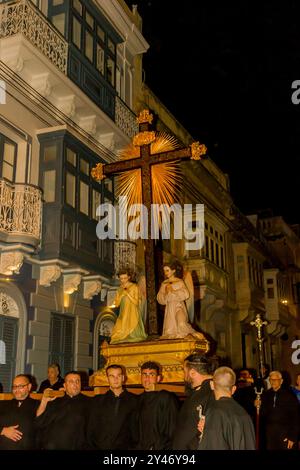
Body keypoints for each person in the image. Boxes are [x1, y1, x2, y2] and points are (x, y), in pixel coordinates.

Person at [198, 367, 256, 450]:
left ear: (211, 385)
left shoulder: (215, 412)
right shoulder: (244, 413)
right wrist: (207, 430)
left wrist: (207, 433)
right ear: (234, 389)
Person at [36, 371, 91, 449]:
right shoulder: (55, 400)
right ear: (65, 385)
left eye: (77, 381)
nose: (75, 384)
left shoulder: (89, 402)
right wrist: (44, 401)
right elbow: (39, 421)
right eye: (71, 381)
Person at [87, 364, 138, 449]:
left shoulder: (134, 400)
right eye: (112, 376)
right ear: (107, 379)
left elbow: (136, 430)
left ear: (123, 378)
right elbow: (91, 429)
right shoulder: (97, 401)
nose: (115, 379)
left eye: (118, 375)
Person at [172, 353, 214, 450]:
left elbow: (207, 431)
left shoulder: (212, 391)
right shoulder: (196, 392)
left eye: (184, 371)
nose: (184, 375)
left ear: (192, 372)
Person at [135, 361, 179, 450]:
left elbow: (173, 428)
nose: (147, 378)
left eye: (151, 375)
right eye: (144, 374)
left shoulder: (166, 397)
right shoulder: (137, 399)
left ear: (158, 378)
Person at [157, 262, 204, 340]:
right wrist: (166, 293)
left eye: (167, 270)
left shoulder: (179, 281)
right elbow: (159, 298)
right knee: (170, 330)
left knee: (181, 322)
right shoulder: (164, 284)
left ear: (173, 271)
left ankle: (189, 334)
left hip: (178, 306)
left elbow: (186, 294)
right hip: (169, 308)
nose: (165, 273)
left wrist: (172, 291)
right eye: (164, 271)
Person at [259, 370, 299, 450]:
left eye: (275, 380)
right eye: (271, 379)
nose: (272, 382)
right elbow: (263, 415)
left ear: (281, 381)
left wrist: (292, 437)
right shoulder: (266, 395)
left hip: (285, 435)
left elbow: (296, 418)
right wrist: (258, 406)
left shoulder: (290, 396)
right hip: (270, 435)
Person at [0, 374, 39, 450]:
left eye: (20, 386)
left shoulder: (38, 405)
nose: (16, 390)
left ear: (29, 387)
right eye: (14, 386)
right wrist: (3, 430)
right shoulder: (3, 404)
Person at [110, 269, 147, 344]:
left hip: (132, 311)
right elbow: (117, 304)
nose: (123, 280)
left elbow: (136, 302)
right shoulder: (120, 288)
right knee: (118, 331)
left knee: (133, 332)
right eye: (121, 278)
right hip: (123, 312)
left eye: (125, 278)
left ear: (129, 277)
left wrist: (127, 294)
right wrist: (121, 295)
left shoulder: (134, 287)